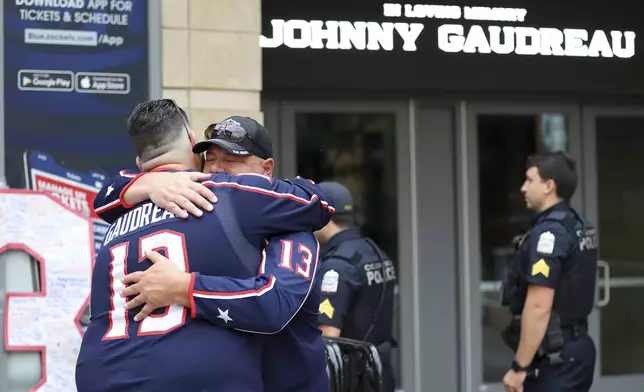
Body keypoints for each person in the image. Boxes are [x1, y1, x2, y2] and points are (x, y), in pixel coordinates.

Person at [76, 100, 333, 391]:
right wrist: (146, 184)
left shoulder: (286, 223)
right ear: (193, 145)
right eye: (210, 159)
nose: (218, 170)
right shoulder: (199, 198)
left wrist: (185, 287)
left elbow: (274, 304)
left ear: (266, 168)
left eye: (232, 160)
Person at [500, 151, 597, 392]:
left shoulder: (550, 233)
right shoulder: (576, 223)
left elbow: (539, 306)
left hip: (556, 356)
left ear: (549, 186)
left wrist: (519, 368)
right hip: (575, 348)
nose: (523, 188)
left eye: (530, 180)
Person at [314, 181, 397, 392]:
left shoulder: (337, 267)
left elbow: (327, 341)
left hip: (351, 380)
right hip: (379, 374)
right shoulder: (373, 252)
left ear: (322, 216)